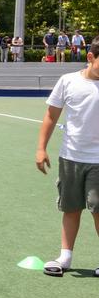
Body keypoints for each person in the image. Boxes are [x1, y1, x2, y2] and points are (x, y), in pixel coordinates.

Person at [36, 38, 99, 278]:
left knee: (98, 208)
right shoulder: (68, 81)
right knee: (70, 208)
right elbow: (51, 116)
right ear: (91, 57)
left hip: (98, 161)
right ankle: (65, 256)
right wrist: (41, 148)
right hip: (71, 157)